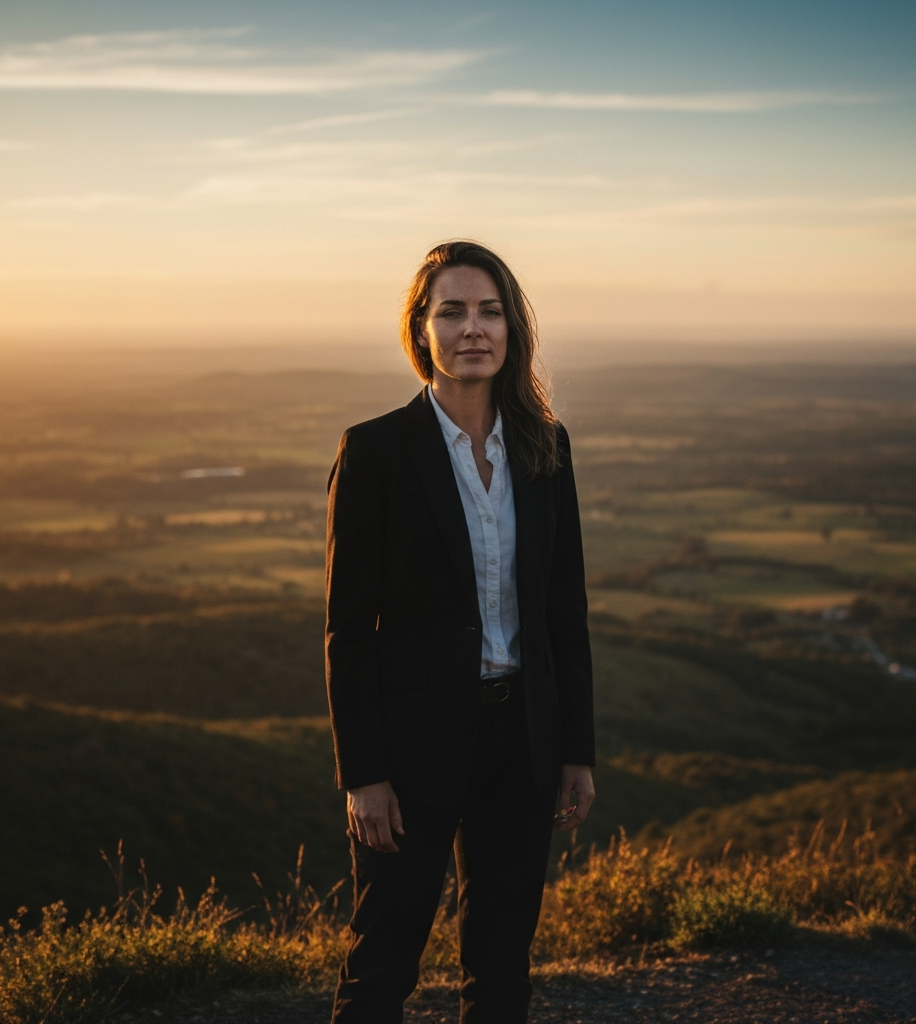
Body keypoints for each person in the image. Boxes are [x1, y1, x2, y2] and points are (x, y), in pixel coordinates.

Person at [325, 240, 595, 1024]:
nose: (472, 328)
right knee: (381, 963)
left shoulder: (547, 447)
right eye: (452, 311)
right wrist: (363, 774)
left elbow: (563, 611)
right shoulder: (376, 451)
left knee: (502, 968)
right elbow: (347, 629)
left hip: (523, 739)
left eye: (489, 310)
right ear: (422, 330)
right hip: (411, 752)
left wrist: (574, 748)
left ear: (513, 329)